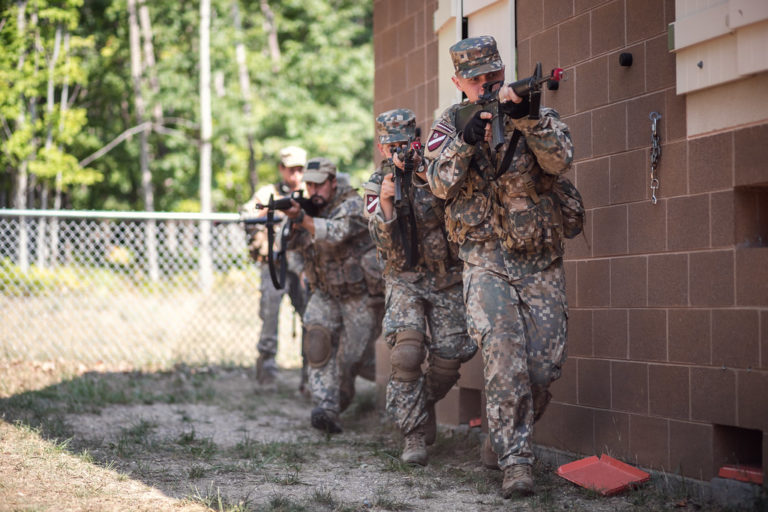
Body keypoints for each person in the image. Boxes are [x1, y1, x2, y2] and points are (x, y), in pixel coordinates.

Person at [425, 36, 575, 498]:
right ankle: (516, 462)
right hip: (483, 259)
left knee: (543, 368)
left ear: (504, 70)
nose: (487, 84)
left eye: (493, 74)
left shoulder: (535, 113)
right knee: (503, 354)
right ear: (458, 83)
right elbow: (437, 185)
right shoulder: (449, 125)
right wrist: (465, 143)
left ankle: (503, 432)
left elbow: (561, 159)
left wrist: (527, 119)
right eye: (476, 79)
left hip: (538, 258)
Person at [363, 109, 476, 466]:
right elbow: (383, 244)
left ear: (418, 140)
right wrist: (386, 201)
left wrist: (426, 177)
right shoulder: (376, 183)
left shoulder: (434, 170)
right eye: (392, 146)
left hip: (446, 277)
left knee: (450, 358)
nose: (399, 151)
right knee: (407, 353)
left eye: (406, 143)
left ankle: (419, 404)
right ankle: (413, 435)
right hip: (404, 278)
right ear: (382, 148)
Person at [283, 157, 383, 434]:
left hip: (359, 295)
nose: (313, 191)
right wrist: (292, 227)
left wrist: (302, 219)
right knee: (317, 341)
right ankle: (326, 407)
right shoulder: (310, 208)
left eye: (319, 185)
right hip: (325, 292)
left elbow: (336, 233)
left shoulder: (351, 204)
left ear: (333, 182)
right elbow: (292, 248)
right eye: (309, 185)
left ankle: (344, 396)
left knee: (352, 359)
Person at [241, 146, 308, 387]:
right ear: (281, 169)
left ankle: (310, 374)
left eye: (300, 169)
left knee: (310, 316)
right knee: (269, 315)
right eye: (291, 169)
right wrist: (272, 208)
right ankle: (267, 371)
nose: (295, 175)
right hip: (274, 265)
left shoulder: (311, 191)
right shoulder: (268, 192)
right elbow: (248, 215)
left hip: (302, 265)